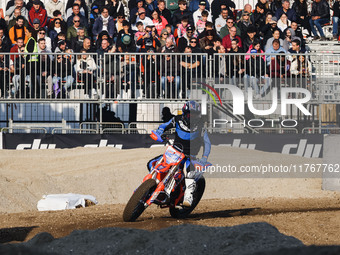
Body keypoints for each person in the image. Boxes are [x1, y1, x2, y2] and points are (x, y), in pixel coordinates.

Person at [152, 101, 211, 207]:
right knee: (152, 163)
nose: (192, 117)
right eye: (190, 114)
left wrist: (204, 157)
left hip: (190, 156)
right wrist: (159, 131)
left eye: (195, 115)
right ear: (185, 113)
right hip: (175, 151)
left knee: (190, 174)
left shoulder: (201, 126)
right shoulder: (177, 119)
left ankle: (188, 196)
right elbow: (164, 125)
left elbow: (207, 143)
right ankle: (152, 184)